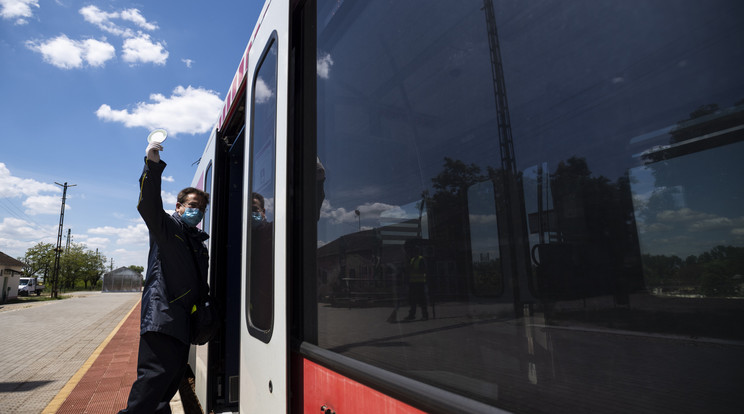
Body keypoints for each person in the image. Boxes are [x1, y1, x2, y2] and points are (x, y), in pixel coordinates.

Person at [119, 139, 210, 413]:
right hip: (162, 318)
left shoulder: (198, 243)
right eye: (192, 205)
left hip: (181, 322)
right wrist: (153, 166)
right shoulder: (168, 228)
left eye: (201, 208)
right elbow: (148, 205)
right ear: (179, 206)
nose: (197, 211)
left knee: (167, 386)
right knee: (152, 386)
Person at [404, 239, 428, 321]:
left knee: (422, 299)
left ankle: (425, 315)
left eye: (415, 251)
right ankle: (412, 314)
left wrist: (413, 269)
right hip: (413, 283)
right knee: (412, 300)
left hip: (420, 283)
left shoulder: (421, 259)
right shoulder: (412, 259)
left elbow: (424, 270)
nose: (414, 253)